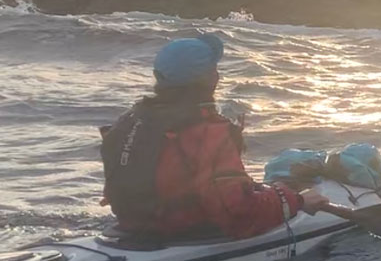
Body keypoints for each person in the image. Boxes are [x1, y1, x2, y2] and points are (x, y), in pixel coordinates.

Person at [99, 33, 329, 240]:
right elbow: (239, 213)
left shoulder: (129, 120)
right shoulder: (209, 132)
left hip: (131, 226)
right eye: (214, 68)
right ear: (211, 79)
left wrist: (267, 191)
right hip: (186, 234)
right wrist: (296, 201)